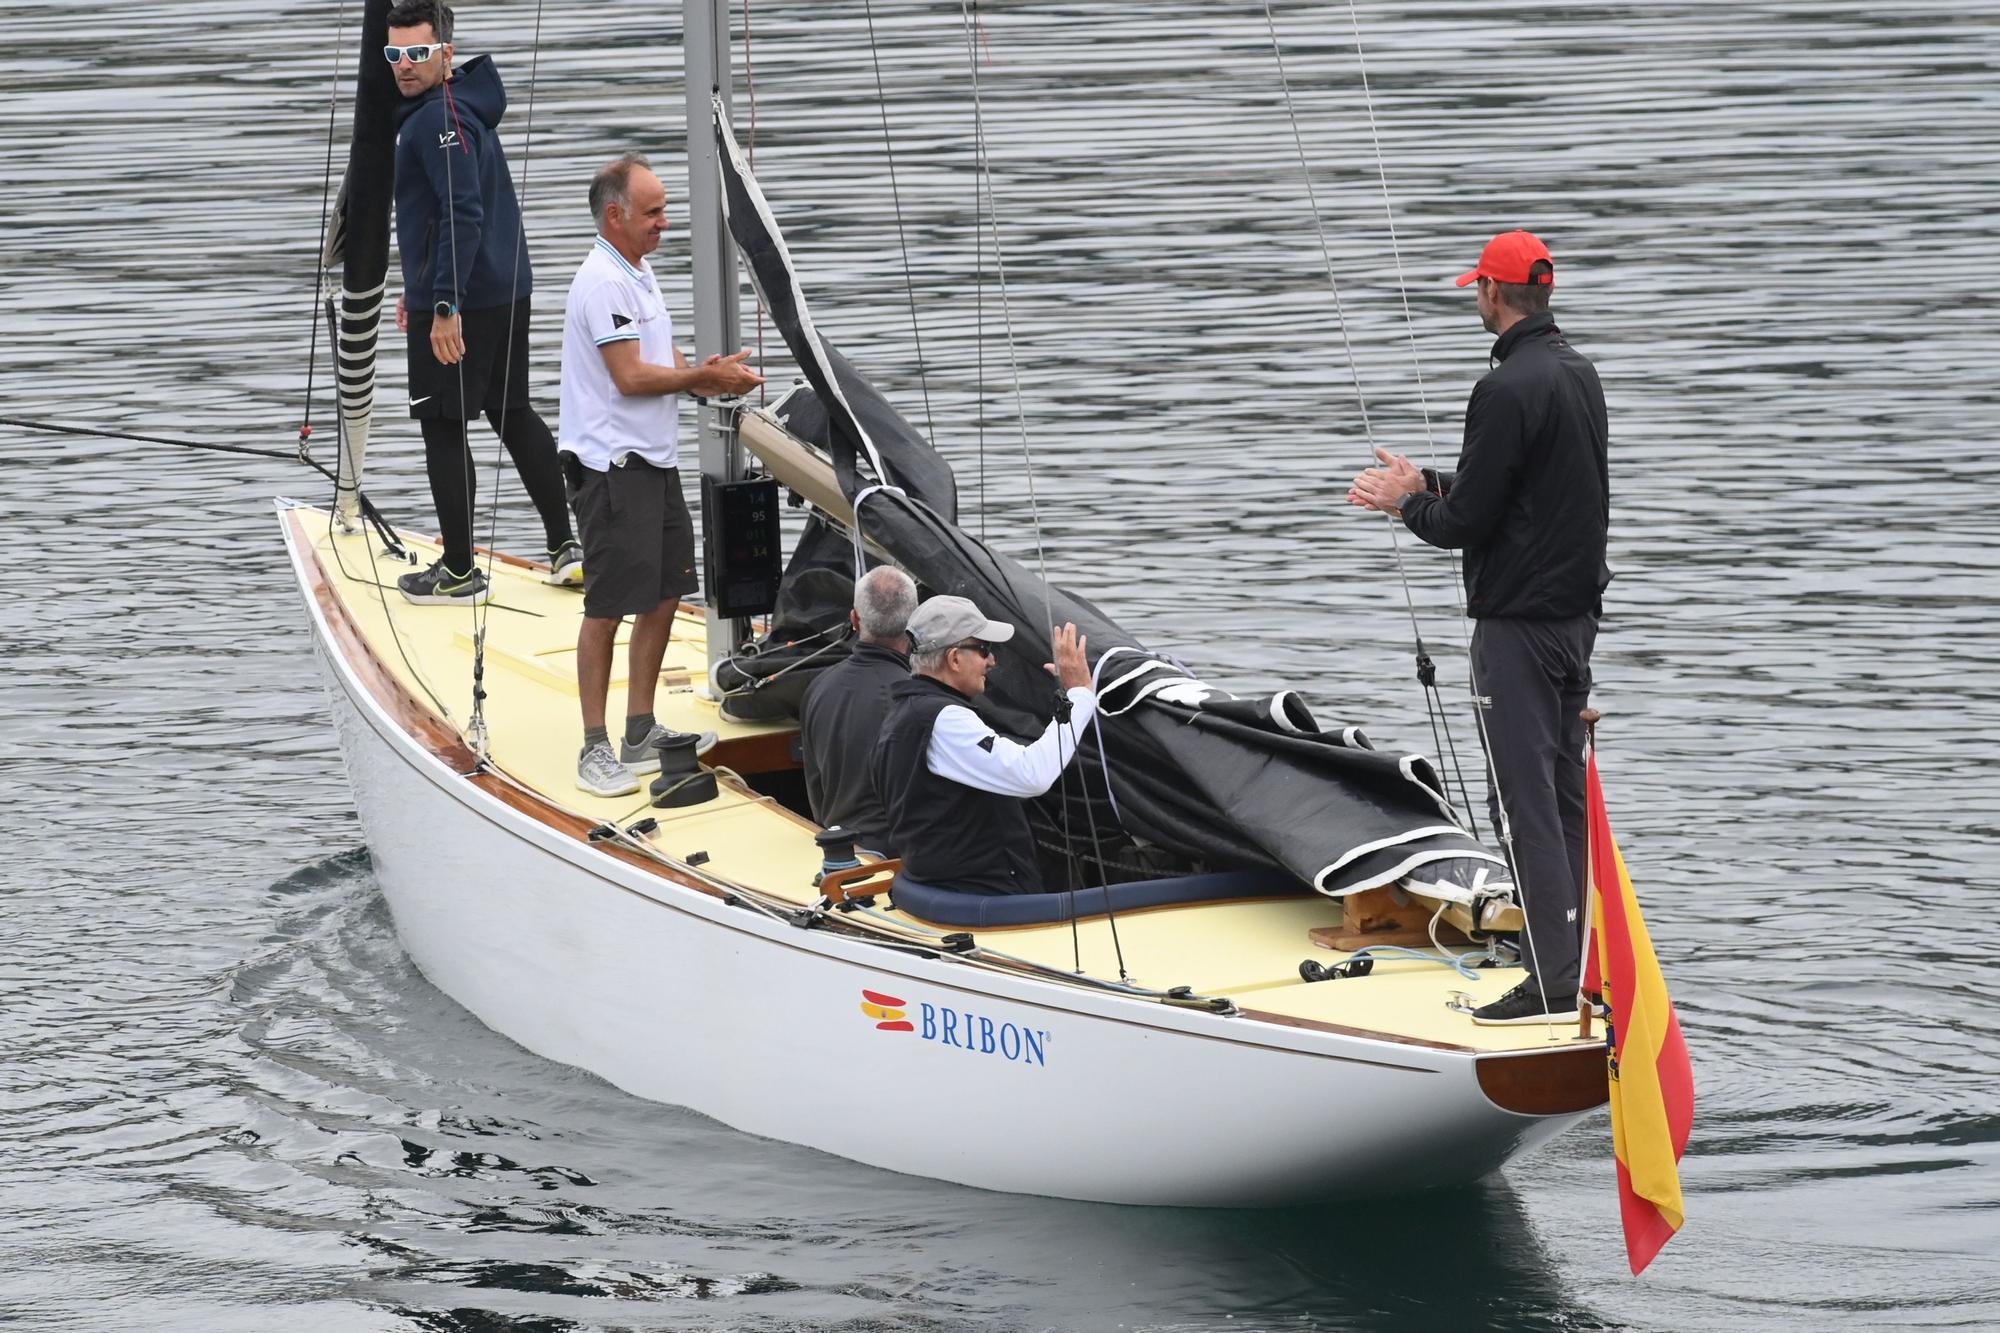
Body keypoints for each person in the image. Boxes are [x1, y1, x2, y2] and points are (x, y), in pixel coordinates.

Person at [1347, 229, 1610, 1027]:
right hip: (1573, 624)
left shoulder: (1501, 388)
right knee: (1561, 798)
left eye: (1477, 288)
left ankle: (1549, 983)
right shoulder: (1576, 372)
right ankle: (1576, 962)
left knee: (1522, 803)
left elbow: (1465, 523)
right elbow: (1522, 491)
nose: (1476, 297)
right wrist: (1425, 478)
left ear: (1493, 294)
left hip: (1518, 632)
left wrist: (1406, 504)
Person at [560, 153, 764, 797]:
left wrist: (705, 371)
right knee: (608, 607)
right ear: (615, 215)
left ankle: (640, 729)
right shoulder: (603, 284)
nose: (664, 223)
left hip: (655, 463)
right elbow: (630, 377)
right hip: (614, 469)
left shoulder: (639, 273)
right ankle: (594, 748)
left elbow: (660, 358)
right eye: (653, 212)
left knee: (666, 594)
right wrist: (702, 379)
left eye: (665, 210)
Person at [385, 0, 580, 606]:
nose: (404, 66)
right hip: (504, 288)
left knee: (441, 425)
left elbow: (460, 211)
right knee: (510, 410)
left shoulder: (436, 121)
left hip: (465, 299)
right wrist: (419, 288)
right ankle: (564, 548)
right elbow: (453, 215)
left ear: (446, 52)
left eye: (417, 53)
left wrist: (441, 303)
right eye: (394, 54)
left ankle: (460, 572)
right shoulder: (464, 106)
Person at [872, 597, 1096, 895]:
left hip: (944, 886)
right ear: (954, 658)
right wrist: (1080, 696)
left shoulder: (907, 711)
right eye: (984, 650)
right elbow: (1033, 775)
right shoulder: (945, 721)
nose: (992, 661)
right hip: (982, 899)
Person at [799, 566, 920, 856]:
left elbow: (816, 791)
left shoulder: (817, 688)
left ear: (854, 619)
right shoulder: (920, 699)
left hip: (838, 853)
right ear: (914, 622)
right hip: (903, 860)